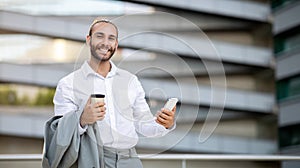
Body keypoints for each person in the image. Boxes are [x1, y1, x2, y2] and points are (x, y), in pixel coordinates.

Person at [51, 18, 176, 168]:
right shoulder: (68, 84)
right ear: (88, 40)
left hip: (130, 161)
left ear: (116, 45)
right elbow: (60, 133)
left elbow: (144, 125)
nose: (105, 43)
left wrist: (165, 124)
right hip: (92, 160)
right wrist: (82, 119)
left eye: (111, 38)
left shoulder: (131, 81)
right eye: (99, 36)